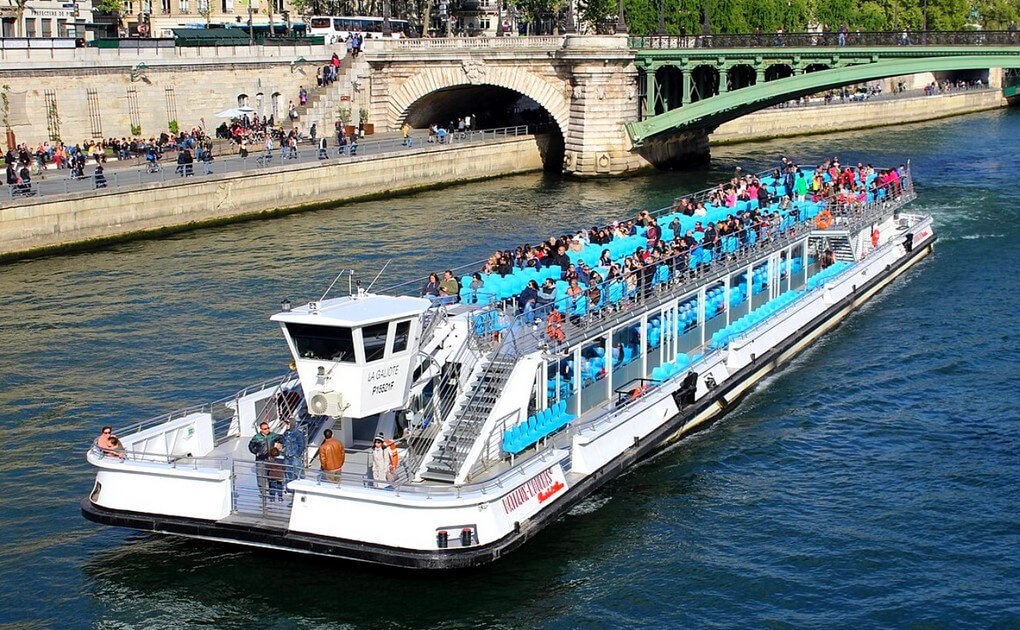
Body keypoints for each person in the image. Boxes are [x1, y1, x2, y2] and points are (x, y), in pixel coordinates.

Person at [248, 421, 282, 498]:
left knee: (271, 475)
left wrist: (278, 446)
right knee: (261, 475)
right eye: (265, 429)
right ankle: (263, 492)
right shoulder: (257, 437)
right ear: (261, 430)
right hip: (261, 459)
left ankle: (271, 491)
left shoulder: (273, 435)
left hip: (270, 458)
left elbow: (281, 438)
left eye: (268, 428)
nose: (267, 430)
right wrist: (256, 452)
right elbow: (250, 446)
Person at [280, 418, 307, 489]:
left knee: (298, 472)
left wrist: (296, 454)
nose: (286, 425)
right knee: (288, 472)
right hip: (287, 457)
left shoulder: (298, 434)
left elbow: (302, 445)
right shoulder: (285, 433)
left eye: (288, 423)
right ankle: (290, 488)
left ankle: (301, 488)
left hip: (294, 457)